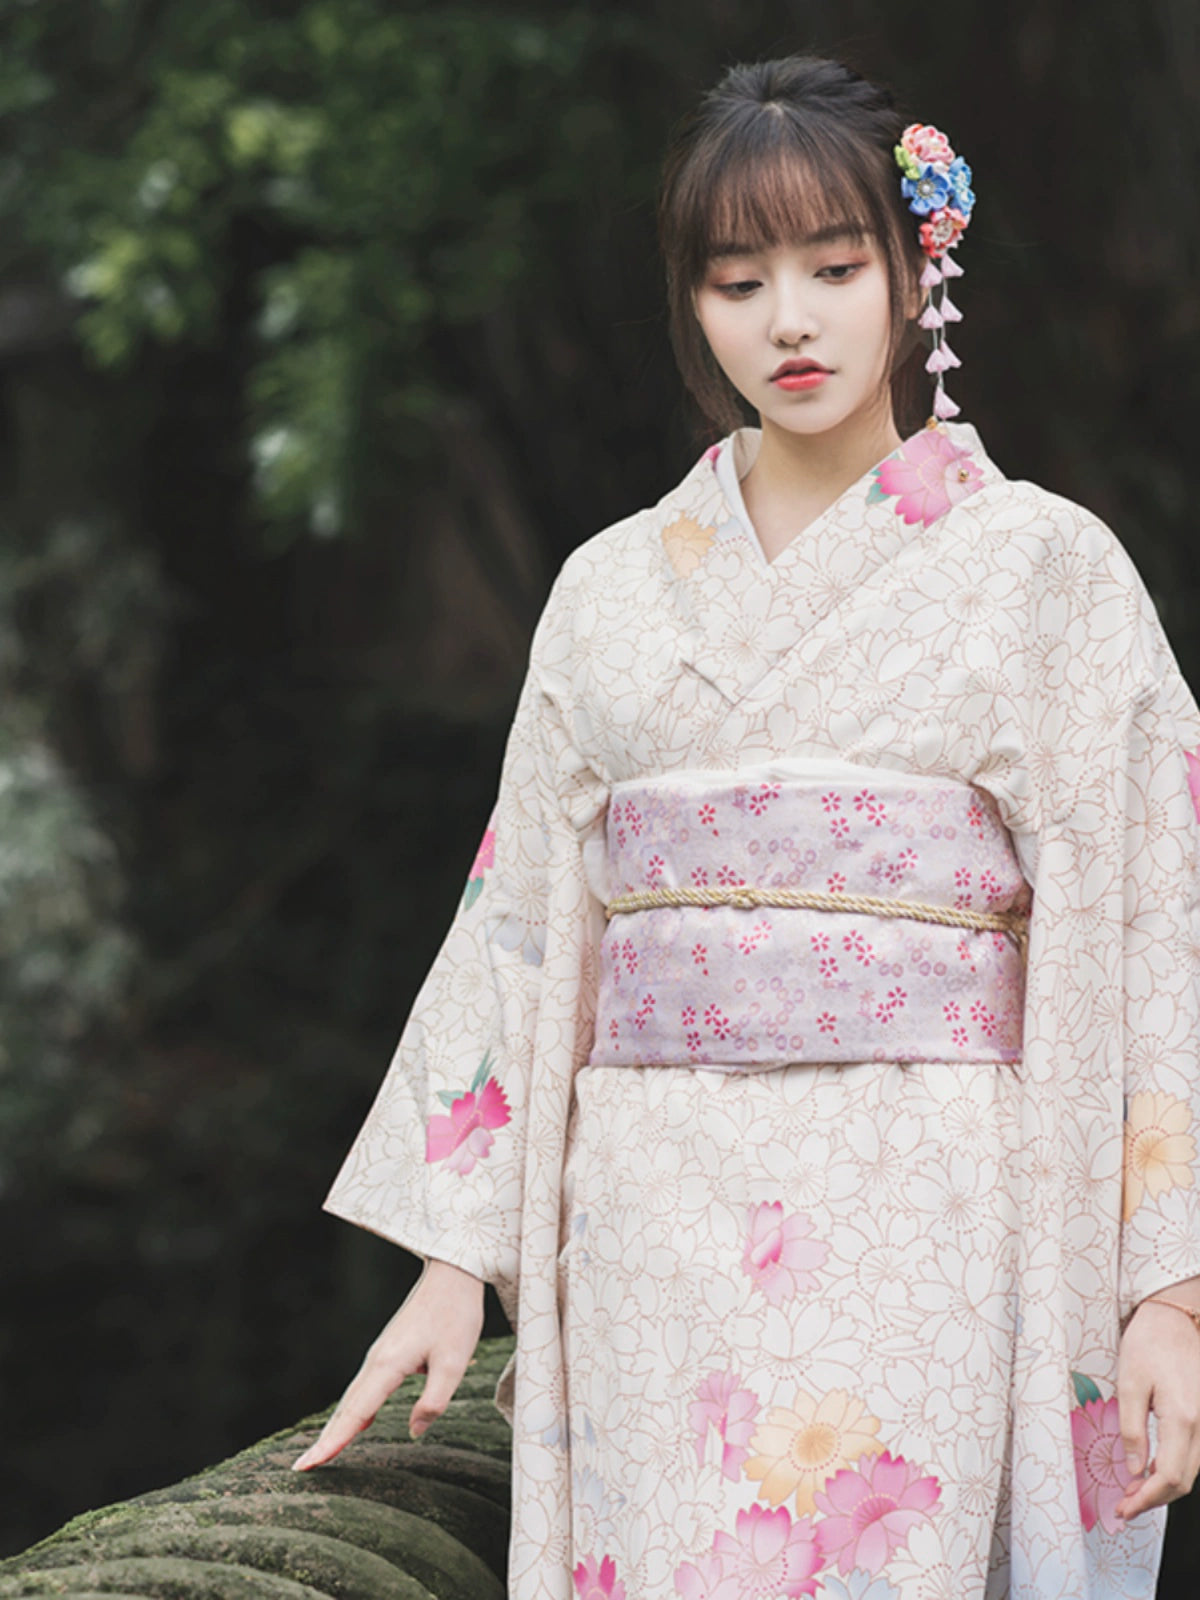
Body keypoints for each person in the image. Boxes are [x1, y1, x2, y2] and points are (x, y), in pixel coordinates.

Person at [291, 53, 1200, 1600]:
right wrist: (460, 1262)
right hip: (653, 1216)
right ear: (691, 304)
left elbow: (1158, 922)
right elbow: (522, 924)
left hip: (931, 1205)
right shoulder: (608, 591)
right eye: (738, 279)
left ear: (920, 272)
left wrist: (1167, 1289)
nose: (789, 319)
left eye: (837, 268)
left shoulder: (1042, 568)